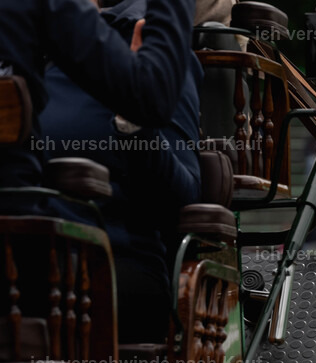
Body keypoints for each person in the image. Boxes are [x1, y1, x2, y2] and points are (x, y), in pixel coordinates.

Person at [39, 0, 201, 343]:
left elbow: (182, 198)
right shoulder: (22, 48)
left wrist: (133, 125)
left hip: (110, 264)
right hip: (24, 251)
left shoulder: (148, 52)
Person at [0, 0, 194, 200]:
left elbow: (184, 195)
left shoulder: (135, 42)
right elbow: (151, 96)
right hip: (24, 207)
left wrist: (132, 127)